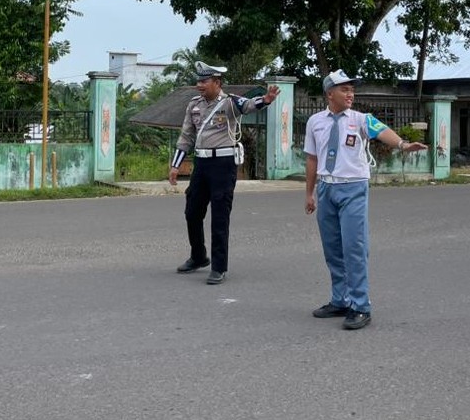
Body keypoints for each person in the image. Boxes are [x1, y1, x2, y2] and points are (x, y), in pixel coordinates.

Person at [304, 69, 427, 329]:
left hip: (353, 188)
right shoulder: (315, 122)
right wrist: (310, 193)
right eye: (344, 89)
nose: (350, 94)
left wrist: (403, 145)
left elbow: (383, 132)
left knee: (354, 248)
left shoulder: (360, 119)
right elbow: (312, 158)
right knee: (333, 249)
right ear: (330, 93)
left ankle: (360, 306)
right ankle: (340, 300)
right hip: (327, 188)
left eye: (352, 89)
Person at [168, 61, 281, 284]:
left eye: (204, 81)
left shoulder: (229, 103)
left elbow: (248, 105)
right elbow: (186, 137)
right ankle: (199, 256)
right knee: (192, 212)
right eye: (198, 81)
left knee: (220, 216)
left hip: (223, 164)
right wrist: (175, 165)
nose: (199, 85)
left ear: (217, 82)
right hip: (201, 164)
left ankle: (219, 267)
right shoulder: (194, 105)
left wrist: (265, 100)